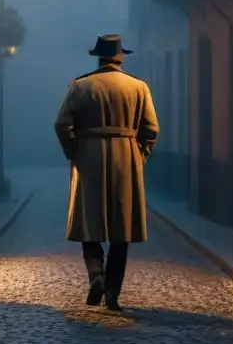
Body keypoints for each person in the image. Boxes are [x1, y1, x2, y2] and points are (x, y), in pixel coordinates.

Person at [54, 34, 159, 312]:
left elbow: (62, 124)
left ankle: (96, 276)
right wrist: (140, 156)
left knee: (90, 223)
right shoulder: (139, 87)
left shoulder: (80, 86)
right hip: (126, 156)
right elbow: (151, 129)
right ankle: (112, 294)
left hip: (89, 156)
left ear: (98, 57)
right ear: (120, 57)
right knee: (121, 229)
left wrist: (74, 151)